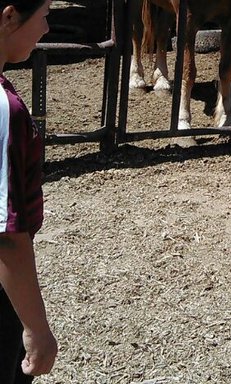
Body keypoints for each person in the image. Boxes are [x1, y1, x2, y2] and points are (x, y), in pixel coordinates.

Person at [0, 0, 57, 382]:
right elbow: (6, 237)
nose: (48, 28)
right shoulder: (4, 109)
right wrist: (38, 332)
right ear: (8, 18)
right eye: (44, 15)